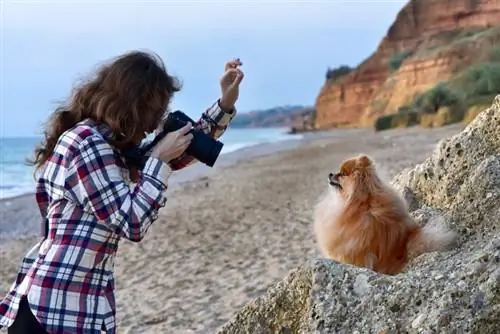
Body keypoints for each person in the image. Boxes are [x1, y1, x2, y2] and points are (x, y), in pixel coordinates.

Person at [0, 51, 244, 334]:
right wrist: (159, 161)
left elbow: (172, 152)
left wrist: (225, 103)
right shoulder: (85, 144)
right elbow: (131, 221)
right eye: (154, 112)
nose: (155, 124)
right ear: (131, 104)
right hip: (54, 309)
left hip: (78, 306)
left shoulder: (109, 145)